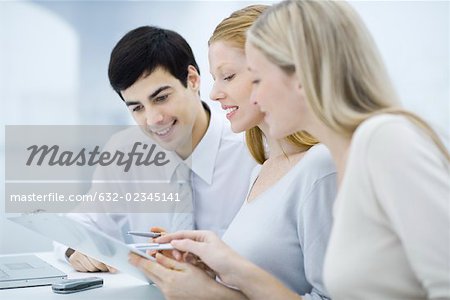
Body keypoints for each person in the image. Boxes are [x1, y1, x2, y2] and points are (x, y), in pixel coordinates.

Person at [144, 1, 450, 299]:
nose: (257, 94)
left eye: (259, 78)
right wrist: (224, 267)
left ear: (303, 74)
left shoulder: (383, 139)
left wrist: (218, 294)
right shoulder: (338, 161)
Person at [129, 5, 337, 300]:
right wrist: (211, 265)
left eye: (228, 76)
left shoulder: (319, 167)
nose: (214, 94)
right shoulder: (263, 169)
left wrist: (213, 294)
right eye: (215, 78)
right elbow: (269, 277)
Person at [55, 26, 256, 273]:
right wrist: (76, 248)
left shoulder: (252, 150)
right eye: (137, 108)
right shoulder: (127, 151)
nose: (153, 119)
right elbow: (80, 222)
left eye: (161, 98)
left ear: (192, 80)